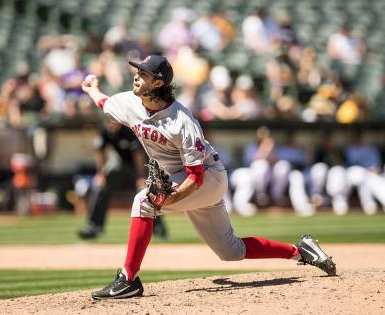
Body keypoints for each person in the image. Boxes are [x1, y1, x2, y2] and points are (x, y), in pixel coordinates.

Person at [81, 55, 336, 300]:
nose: (136, 77)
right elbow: (106, 104)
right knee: (230, 251)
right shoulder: (130, 102)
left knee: (143, 203)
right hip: (182, 180)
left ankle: (128, 279)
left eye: (143, 73)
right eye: (137, 72)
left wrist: (170, 199)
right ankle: (300, 250)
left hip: (208, 179)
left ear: (158, 83)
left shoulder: (181, 121)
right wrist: (92, 88)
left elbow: (196, 176)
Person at [77, 120, 168, 240]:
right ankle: (93, 227)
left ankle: (158, 228)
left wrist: (141, 177)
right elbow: (100, 151)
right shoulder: (104, 130)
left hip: (140, 166)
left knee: (147, 191)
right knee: (100, 187)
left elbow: (138, 155)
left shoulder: (128, 130)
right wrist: (100, 174)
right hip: (120, 165)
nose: (111, 124)